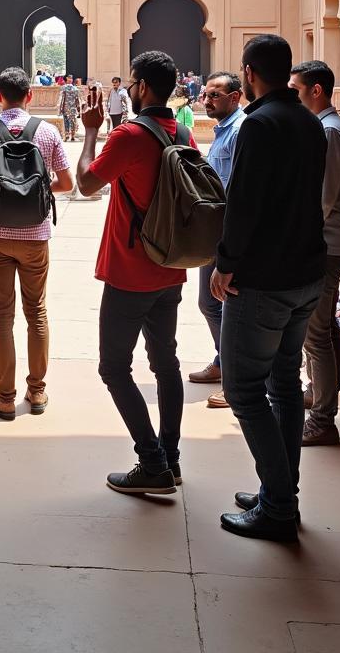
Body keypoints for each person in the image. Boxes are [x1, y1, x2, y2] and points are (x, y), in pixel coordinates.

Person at [213, 34, 326, 542]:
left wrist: (226, 264)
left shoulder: (259, 124)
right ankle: (280, 490)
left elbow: (245, 203)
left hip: (263, 278)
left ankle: (278, 506)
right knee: (283, 383)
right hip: (305, 272)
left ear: (250, 73)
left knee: (244, 390)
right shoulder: (309, 120)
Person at [75, 51, 199, 496]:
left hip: (130, 271)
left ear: (143, 87)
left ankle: (151, 462)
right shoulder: (182, 132)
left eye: (131, 82)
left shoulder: (128, 135)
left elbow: (85, 183)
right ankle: (172, 458)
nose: (128, 88)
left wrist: (90, 132)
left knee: (113, 367)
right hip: (169, 267)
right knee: (166, 362)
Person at [0, 67, 73, 420]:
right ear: (31, 95)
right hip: (35, 237)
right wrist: (37, 193)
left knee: (1, 314)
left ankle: (5, 398)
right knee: (36, 312)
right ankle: (36, 393)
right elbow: (66, 183)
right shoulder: (48, 132)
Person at [290, 60, 340, 447]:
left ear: (316, 91)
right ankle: (319, 395)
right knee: (324, 329)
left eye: (296, 89)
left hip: (325, 244)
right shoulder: (326, 128)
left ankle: (323, 418)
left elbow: (323, 201)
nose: (292, 96)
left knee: (315, 334)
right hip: (329, 242)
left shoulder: (329, 133)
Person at [188, 72, 245, 409]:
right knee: (210, 303)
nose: (207, 101)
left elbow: (240, 193)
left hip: (229, 236)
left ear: (235, 97)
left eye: (215, 95)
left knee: (227, 306)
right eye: (206, 95)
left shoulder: (239, 132)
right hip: (214, 233)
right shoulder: (225, 130)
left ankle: (235, 379)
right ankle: (225, 365)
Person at [58, 74, 81, 142]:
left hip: (67, 107)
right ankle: (72, 136)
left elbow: (61, 99)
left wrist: (60, 108)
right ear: (67, 79)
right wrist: (78, 108)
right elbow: (77, 99)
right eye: (70, 78)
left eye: (71, 78)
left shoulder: (63, 88)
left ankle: (67, 135)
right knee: (72, 121)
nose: (70, 79)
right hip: (72, 107)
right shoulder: (75, 88)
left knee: (67, 121)